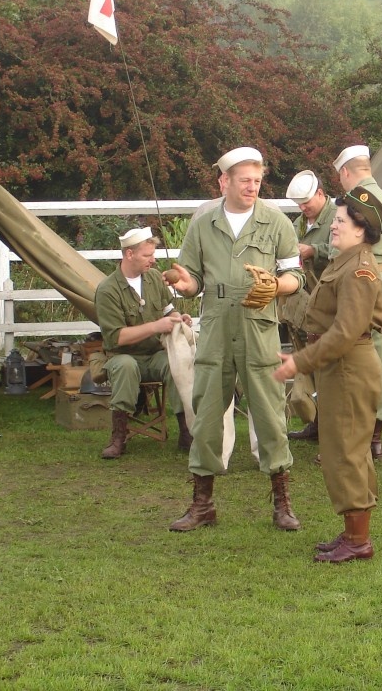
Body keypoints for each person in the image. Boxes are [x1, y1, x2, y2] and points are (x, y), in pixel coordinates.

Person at [164, 146, 305, 532]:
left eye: (257, 181)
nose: (252, 187)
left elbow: (296, 277)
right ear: (223, 181)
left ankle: (282, 503)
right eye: (245, 180)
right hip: (215, 330)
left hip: (258, 328)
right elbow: (192, 280)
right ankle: (202, 504)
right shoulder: (202, 224)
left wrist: (277, 285)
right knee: (207, 415)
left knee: (271, 415)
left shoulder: (277, 223)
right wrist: (182, 281)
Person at [273, 188, 382, 562]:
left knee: (346, 452)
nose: (332, 226)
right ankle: (353, 532)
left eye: (339, 221)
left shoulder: (358, 269)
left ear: (360, 229)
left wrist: (300, 362)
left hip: (349, 366)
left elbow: (343, 333)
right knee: (345, 448)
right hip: (342, 366)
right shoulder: (345, 261)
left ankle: (358, 541)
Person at [94, 227, 192, 459]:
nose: (153, 259)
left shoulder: (155, 279)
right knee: (126, 366)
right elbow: (115, 337)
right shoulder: (108, 289)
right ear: (129, 254)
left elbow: (169, 311)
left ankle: (188, 432)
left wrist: (178, 319)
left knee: (178, 361)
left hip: (154, 353)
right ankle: (118, 437)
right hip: (121, 355)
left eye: (153, 254)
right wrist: (156, 326)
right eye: (147, 255)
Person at [332, 145, 382, 459]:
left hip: (362, 279)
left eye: (340, 177)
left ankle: (354, 438)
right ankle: (375, 436)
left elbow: (343, 248)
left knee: (352, 359)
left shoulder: (354, 203)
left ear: (346, 172)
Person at [283, 170, 336, 443]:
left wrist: (315, 250)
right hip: (302, 303)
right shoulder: (297, 224)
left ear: (320, 193)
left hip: (329, 302)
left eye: (306, 202)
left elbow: (350, 249)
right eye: (299, 204)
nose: (303, 208)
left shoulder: (339, 217)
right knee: (307, 362)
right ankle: (316, 422)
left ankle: (332, 425)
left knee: (327, 365)